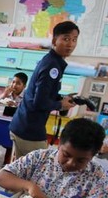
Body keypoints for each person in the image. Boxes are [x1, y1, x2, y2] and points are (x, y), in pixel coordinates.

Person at [0, 118, 108, 198]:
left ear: (92, 156)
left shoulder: (97, 174)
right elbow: (0, 177)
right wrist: (29, 186)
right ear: (59, 144)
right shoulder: (40, 157)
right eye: (66, 155)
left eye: (81, 160)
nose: (71, 163)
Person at [9, 21, 78, 158]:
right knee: (39, 172)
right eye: (65, 39)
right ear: (54, 41)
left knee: (21, 170)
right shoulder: (52, 66)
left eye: (74, 40)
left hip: (22, 125)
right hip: (29, 130)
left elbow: (44, 93)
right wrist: (60, 105)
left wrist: (60, 99)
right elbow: (39, 102)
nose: (70, 44)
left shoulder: (53, 61)